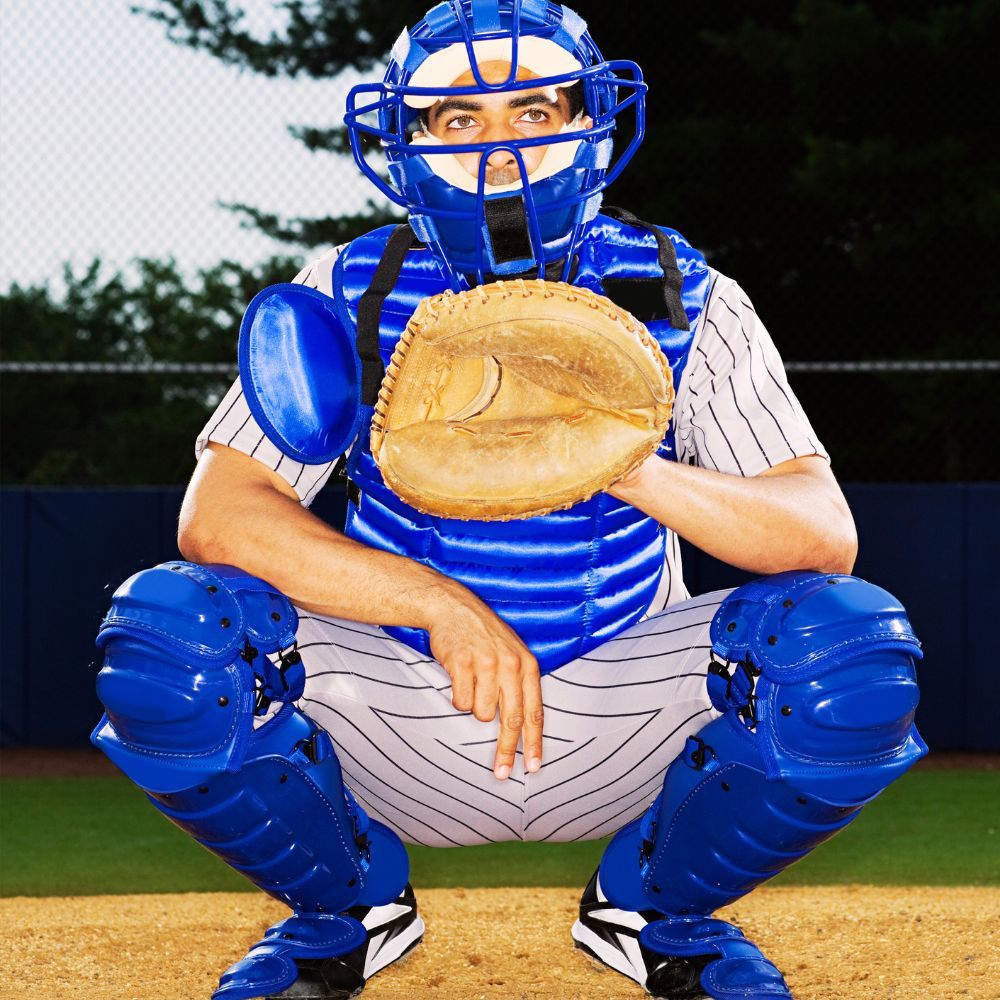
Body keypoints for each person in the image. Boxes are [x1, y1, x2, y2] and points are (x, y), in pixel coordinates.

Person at [91, 2, 927, 998]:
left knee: (848, 649)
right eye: (456, 121)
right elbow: (220, 513)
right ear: (403, 145)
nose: (498, 152)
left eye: (533, 110)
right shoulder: (351, 284)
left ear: (592, 122)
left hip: (626, 703)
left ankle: (657, 911)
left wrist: (620, 459)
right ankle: (342, 911)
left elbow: (821, 535)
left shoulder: (678, 289)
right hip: (402, 701)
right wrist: (438, 605)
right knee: (169, 635)